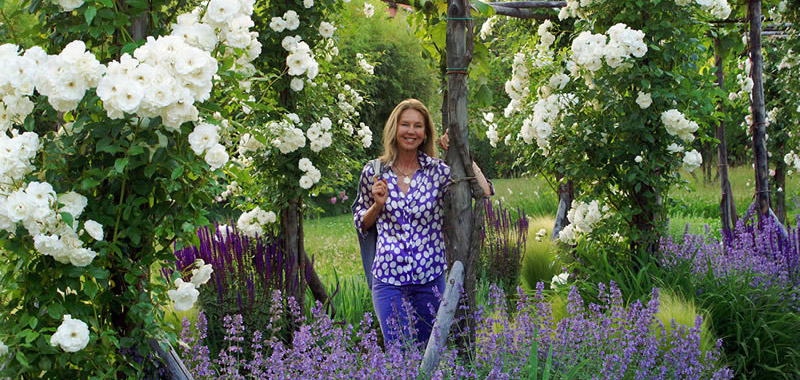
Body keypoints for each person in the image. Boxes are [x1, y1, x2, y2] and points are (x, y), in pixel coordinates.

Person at [352, 99, 492, 346]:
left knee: (428, 353)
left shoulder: (437, 171)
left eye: (418, 126)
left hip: (429, 279)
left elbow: (485, 191)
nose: (411, 131)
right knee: (399, 354)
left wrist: (462, 151)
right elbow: (361, 224)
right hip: (388, 279)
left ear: (425, 132)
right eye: (405, 124)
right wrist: (378, 205)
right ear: (394, 129)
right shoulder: (374, 172)